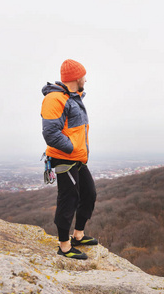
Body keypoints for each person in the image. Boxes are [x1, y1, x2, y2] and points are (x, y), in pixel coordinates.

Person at [41, 59, 98, 260]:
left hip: (78, 158)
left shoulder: (74, 98)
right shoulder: (55, 98)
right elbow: (50, 133)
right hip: (65, 158)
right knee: (68, 199)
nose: (85, 79)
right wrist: (73, 148)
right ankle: (64, 246)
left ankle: (78, 235)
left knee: (89, 194)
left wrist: (80, 150)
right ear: (76, 78)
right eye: (83, 76)